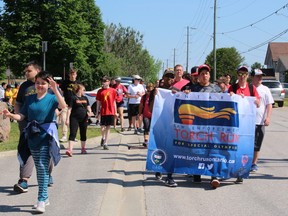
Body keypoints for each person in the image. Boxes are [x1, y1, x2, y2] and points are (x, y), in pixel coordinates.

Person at [2, 71, 66, 213]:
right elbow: (22, 115)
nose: (40, 86)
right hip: (32, 136)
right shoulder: (30, 99)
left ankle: (41, 199)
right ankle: (45, 197)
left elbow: (63, 106)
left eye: (43, 83)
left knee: (42, 166)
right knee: (39, 167)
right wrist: (11, 115)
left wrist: (55, 89)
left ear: (48, 85)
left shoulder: (51, 98)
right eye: (38, 83)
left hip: (46, 136)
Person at [13, 61, 53, 193]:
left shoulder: (48, 84)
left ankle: (47, 174)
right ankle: (24, 180)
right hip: (27, 123)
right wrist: (18, 117)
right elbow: (18, 103)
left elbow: (57, 104)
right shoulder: (24, 86)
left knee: (46, 151)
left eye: (28, 71)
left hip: (44, 125)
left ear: (37, 70)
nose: (26, 73)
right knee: (26, 149)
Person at [182, 64, 222, 188]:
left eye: (206, 73)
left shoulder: (216, 89)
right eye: (202, 73)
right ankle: (196, 174)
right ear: (198, 76)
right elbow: (178, 95)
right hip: (197, 127)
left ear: (209, 75)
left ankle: (214, 176)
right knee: (197, 149)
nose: (204, 75)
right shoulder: (193, 88)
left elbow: (226, 101)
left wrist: (232, 96)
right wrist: (185, 93)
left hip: (212, 126)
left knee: (213, 150)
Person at [228, 65, 260, 184]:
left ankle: (240, 173)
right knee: (232, 148)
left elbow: (258, 103)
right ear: (237, 75)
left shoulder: (252, 88)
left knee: (244, 149)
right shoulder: (233, 87)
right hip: (234, 124)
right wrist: (232, 96)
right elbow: (227, 101)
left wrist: (247, 99)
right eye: (240, 74)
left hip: (246, 124)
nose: (242, 76)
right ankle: (230, 170)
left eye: (244, 74)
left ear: (248, 76)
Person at [250, 68, 274, 172]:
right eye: (257, 76)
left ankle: (254, 163)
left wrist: (268, 117)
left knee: (257, 144)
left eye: (261, 76)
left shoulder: (265, 89)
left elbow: (269, 104)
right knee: (246, 143)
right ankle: (245, 162)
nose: (260, 78)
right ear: (252, 77)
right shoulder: (248, 88)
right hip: (247, 121)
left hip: (259, 121)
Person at [65, 84, 92, 156]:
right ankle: (70, 150)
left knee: (83, 133)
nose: (84, 91)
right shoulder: (73, 98)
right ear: (79, 90)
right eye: (83, 90)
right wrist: (67, 119)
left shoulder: (85, 98)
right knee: (73, 133)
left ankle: (83, 148)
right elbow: (69, 109)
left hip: (84, 118)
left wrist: (90, 112)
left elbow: (88, 107)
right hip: (74, 118)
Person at [59, 69, 81, 142]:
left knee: (73, 121)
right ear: (69, 75)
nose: (72, 75)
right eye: (71, 74)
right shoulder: (65, 83)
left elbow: (80, 93)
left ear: (76, 75)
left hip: (75, 105)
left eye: (74, 74)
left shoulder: (78, 83)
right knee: (64, 119)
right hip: (66, 104)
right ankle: (64, 135)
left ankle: (73, 136)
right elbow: (61, 93)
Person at [96, 76, 117, 150]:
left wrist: (115, 111)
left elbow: (114, 101)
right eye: (103, 81)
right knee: (102, 127)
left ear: (109, 82)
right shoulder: (100, 91)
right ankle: (103, 137)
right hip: (103, 111)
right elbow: (98, 102)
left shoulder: (113, 90)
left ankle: (106, 142)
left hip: (110, 111)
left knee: (108, 127)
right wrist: (97, 111)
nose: (104, 83)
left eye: (105, 81)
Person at [139, 83, 155, 147]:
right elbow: (141, 105)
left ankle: (151, 141)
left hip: (153, 115)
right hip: (146, 115)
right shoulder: (144, 97)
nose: (149, 92)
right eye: (148, 90)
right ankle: (146, 141)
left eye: (151, 91)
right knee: (146, 127)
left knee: (152, 129)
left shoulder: (155, 97)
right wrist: (139, 113)